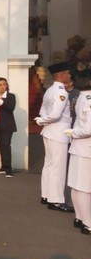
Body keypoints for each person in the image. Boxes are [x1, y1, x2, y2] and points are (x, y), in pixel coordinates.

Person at [35, 62, 75, 212]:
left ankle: (46, 195)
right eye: (68, 73)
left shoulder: (50, 90)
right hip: (59, 132)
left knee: (49, 165)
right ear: (61, 75)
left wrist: (42, 119)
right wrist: (42, 120)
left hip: (49, 131)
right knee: (57, 168)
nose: (70, 75)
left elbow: (43, 110)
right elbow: (55, 115)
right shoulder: (61, 92)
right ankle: (56, 200)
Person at [64, 74, 91, 235]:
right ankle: (88, 223)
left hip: (79, 148)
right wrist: (74, 132)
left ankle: (80, 217)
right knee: (85, 187)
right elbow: (88, 129)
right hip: (86, 148)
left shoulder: (81, 96)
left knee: (76, 185)